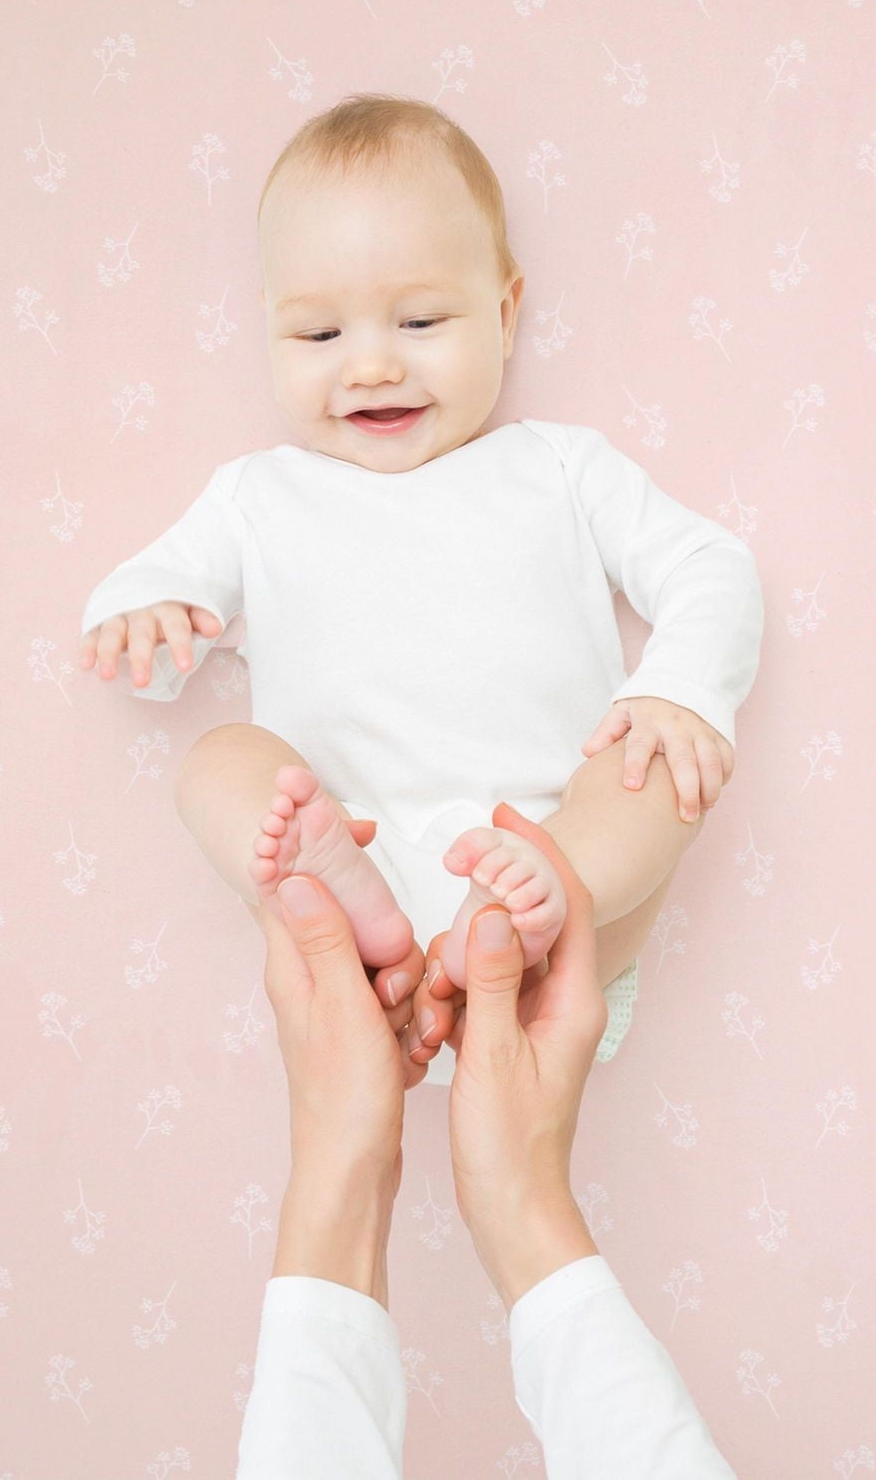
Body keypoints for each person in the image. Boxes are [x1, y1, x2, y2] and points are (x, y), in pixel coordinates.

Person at [77, 92, 764, 1079]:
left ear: (505, 312)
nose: (370, 365)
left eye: (421, 319)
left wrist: (680, 688)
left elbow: (709, 564)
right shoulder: (258, 497)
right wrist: (141, 617)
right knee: (218, 759)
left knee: (658, 769)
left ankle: (525, 905)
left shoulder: (560, 469)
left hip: (555, 884)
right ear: (268, 332)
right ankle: (342, 901)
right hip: (352, 878)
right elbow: (154, 636)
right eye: (318, 338)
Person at [233, 800, 739, 1476]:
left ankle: (433, 916)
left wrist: (337, 1162)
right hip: (537, 897)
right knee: (658, 791)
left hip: (350, 870)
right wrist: (681, 695)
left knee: (222, 771)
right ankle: (501, 924)